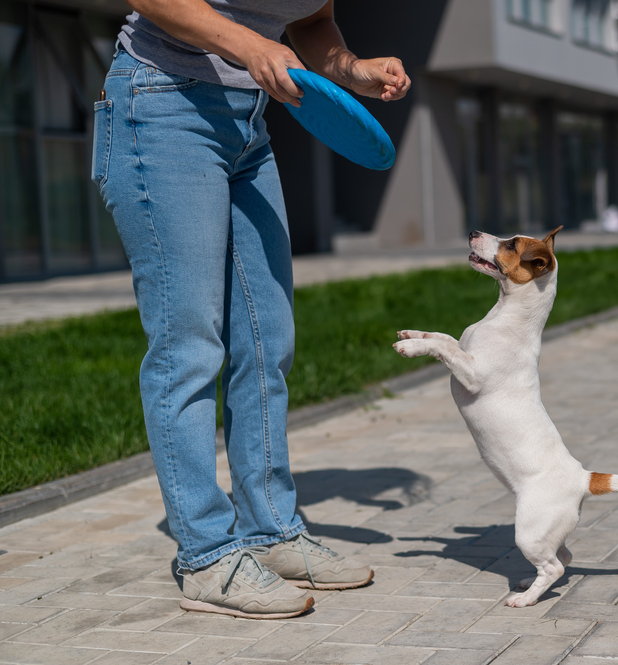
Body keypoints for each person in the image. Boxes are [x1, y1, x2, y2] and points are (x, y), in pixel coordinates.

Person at [93, 0, 410, 619]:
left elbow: (312, 21)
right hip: (161, 107)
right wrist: (247, 45)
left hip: (249, 128)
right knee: (188, 347)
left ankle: (270, 532)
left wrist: (352, 69)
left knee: (268, 340)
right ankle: (207, 556)